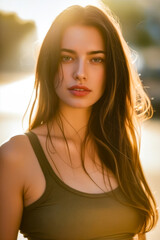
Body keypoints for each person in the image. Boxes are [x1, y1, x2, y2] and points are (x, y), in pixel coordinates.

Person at [0, 4, 158, 240]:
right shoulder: (16, 157)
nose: (80, 72)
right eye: (67, 57)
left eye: (96, 60)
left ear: (112, 69)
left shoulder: (120, 148)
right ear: (50, 64)